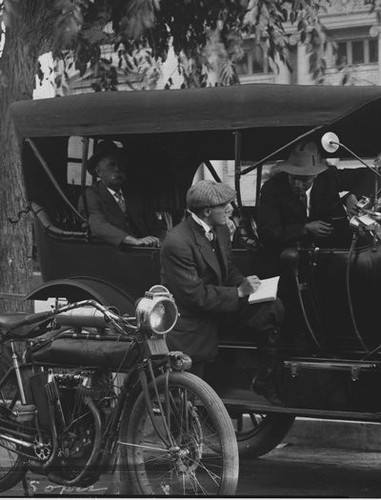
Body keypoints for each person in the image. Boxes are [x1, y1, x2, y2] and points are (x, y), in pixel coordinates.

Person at [160, 180, 285, 404]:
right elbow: (195, 296)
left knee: (272, 307)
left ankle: (264, 376)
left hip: (216, 307)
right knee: (185, 404)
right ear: (208, 211)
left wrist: (246, 283)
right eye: (226, 205)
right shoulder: (177, 242)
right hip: (192, 321)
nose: (231, 209)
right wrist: (238, 293)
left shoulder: (220, 230)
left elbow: (229, 270)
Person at [257, 141, 373, 256]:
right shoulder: (272, 188)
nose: (297, 184)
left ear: (316, 175)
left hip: (334, 246)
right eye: (293, 178)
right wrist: (305, 229)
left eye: (304, 179)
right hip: (292, 253)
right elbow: (267, 232)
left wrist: (352, 197)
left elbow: (372, 175)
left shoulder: (328, 177)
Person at [79, 140, 167, 247]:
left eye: (120, 164)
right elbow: (98, 225)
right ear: (99, 171)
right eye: (112, 165)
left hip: (146, 250)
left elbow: (154, 223)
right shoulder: (91, 195)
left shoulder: (134, 193)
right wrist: (134, 241)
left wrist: (162, 240)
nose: (117, 169)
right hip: (116, 252)